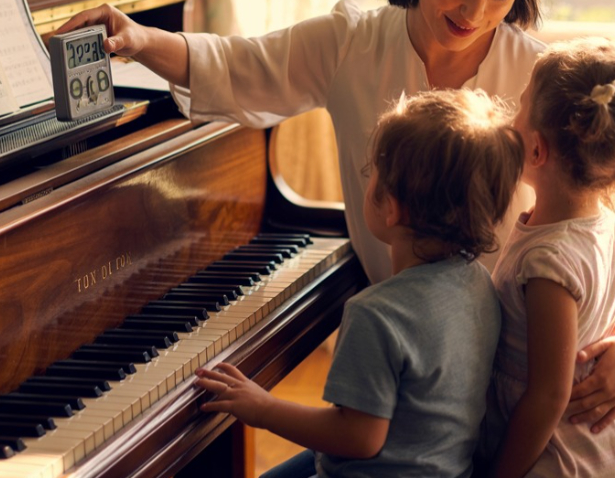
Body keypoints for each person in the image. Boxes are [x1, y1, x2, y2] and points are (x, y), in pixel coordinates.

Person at [54, 0, 615, 430]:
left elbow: (596, 238)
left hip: (513, 383)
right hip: (412, 370)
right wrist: (137, 37)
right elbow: (237, 65)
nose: (475, 11)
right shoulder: (351, 43)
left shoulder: (539, 84)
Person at [195, 89, 523, 477]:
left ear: (392, 207)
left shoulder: (377, 314)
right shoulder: (479, 283)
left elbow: (359, 437)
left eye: (371, 173)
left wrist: (263, 409)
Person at [481, 38, 615, 478]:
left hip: (565, 454)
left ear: (537, 151)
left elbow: (547, 396)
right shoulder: (613, 226)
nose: (510, 118)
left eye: (519, 108)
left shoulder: (548, 265)